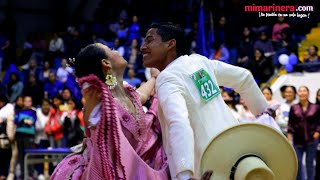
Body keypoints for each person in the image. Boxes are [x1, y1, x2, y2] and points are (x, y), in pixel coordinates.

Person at [140, 22, 270, 180]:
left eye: (149, 40)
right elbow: (244, 77)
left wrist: (185, 174)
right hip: (239, 153)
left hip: (208, 167)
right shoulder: (199, 62)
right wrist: (263, 111)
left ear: (170, 44)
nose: (142, 47)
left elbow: (179, 122)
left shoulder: (167, 78)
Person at [50, 43, 169, 179]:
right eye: (111, 50)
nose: (116, 51)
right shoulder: (101, 105)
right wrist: (90, 91)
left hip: (135, 166)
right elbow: (91, 116)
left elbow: (141, 95)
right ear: (106, 63)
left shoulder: (126, 92)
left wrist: (154, 78)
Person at [287, 86, 320, 180]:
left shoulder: (316, 107)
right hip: (298, 140)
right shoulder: (294, 107)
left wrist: (318, 132)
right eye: (300, 91)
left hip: (312, 140)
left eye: (304, 91)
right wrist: (290, 139)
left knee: (310, 162)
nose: (302, 93)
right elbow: (290, 124)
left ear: (308, 93)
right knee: (298, 162)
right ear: (297, 94)